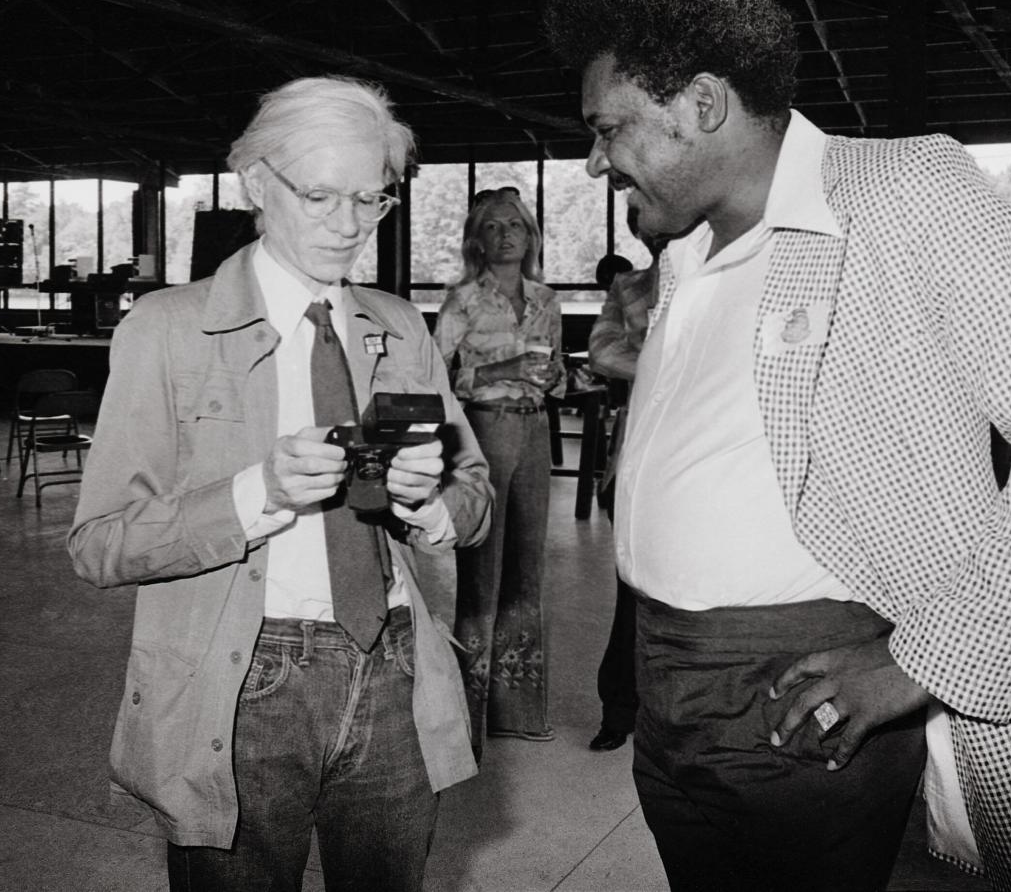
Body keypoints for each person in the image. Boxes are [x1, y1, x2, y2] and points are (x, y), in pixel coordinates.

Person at [544, 0, 1011, 891]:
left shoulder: (896, 194)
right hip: (665, 681)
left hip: (795, 688)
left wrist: (930, 659)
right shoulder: (686, 253)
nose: (597, 161)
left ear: (700, 105)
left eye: (608, 128)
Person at [68, 76, 492, 892]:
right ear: (258, 184)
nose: (349, 227)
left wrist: (429, 505)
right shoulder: (167, 329)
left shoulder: (400, 326)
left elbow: (474, 495)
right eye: (322, 196)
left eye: (372, 200)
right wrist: (254, 491)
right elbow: (99, 544)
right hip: (245, 682)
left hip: (395, 668)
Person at [433, 186, 565, 761]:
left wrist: (555, 375)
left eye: (516, 225)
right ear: (476, 242)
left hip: (535, 430)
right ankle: (468, 716)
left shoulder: (547, 300)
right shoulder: (462, 300)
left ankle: (519, 713)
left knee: (527, 569)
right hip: (483, 428)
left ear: (531, 238)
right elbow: (436, 377)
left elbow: (556, 374)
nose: (506, 234)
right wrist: (501, 367)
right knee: (481, 570)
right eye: (493, 227)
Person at [586, 209, 661, 753]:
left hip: (714, 463)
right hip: (636, 456)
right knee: (631, 594)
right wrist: (680, 360)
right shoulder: (630, 286)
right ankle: (619, 708)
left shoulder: (731, 272)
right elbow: (603, 352)